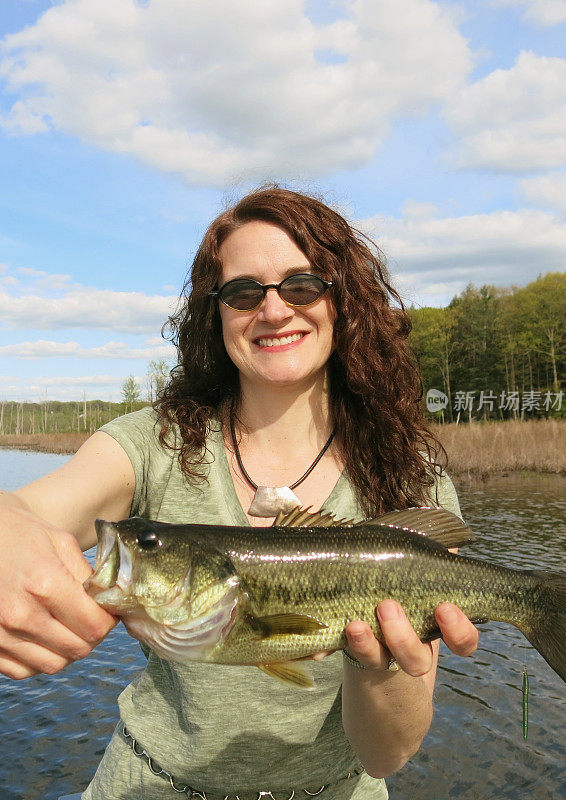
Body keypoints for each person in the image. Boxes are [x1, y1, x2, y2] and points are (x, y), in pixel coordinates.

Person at [0, 186, 479, 800]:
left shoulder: (408, 475)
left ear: (345, 302)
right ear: (216, 313)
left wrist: (376, 665)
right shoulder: (155, 443)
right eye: (244, 292)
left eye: (303, 285)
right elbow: (32, 509)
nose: (275, 311)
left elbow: (386, 755)